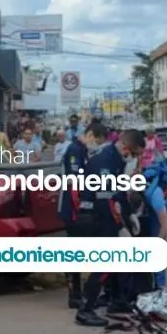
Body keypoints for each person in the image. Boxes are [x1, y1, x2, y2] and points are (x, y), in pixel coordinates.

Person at [75, 129, 145, 327]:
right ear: (126, 147)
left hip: (105, 215)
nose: (134, 158)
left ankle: (117, 300)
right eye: (134, 154)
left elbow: (119, 193)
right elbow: (105, 199)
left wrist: (129, 214)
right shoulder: (105, 161)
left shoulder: (115, 160)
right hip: (94, 216)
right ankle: (85, 310)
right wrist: (120, 227)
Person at [60, 122, 107, 309]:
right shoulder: (75, 150)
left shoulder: (83, 151)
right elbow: (74, 183)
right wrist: (81, 209)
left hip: (80, 208)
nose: (96, 145)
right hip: (74, 209)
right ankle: (75, 295)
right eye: (97, 140)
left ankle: (80, 293)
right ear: (89, 135)